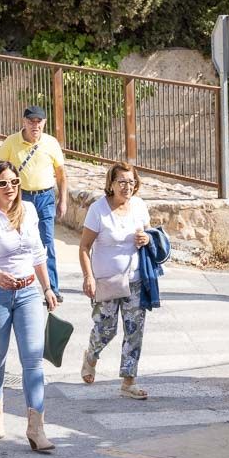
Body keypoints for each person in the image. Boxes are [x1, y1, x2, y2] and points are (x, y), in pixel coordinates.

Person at [0, 160, 59, 451]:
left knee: (33, 361)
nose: (10, 188)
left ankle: (36, 427)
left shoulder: (28, 211)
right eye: (3, 183)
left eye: (14, 182)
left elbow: (39, 253)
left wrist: (48, 287)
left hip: (28, 291)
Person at [78, 163, 153, 400]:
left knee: (134, 331)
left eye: (131, 182)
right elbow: (84, 247)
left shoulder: (140, 206)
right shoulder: (98, 210)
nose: (127, 187)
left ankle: (128, 382)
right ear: (111, 184)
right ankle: (91, 355)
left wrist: (146, 238)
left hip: (135, 279)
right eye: (121, 182)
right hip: (106, 280)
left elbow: (150, 235)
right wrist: (88, 277)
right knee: (105, 329)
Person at [0, 106, 68, 301]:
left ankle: (51, 288)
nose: (35, 125)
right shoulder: (11, 142)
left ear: (44, 122)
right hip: (21, 197)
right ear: (24, 122)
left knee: (46, 242)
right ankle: (3, 282)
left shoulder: (51, 143)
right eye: (31, 121)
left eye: (39, 121)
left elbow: (61, 175)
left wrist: (63, 201)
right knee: (11, 241)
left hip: (45, 197)